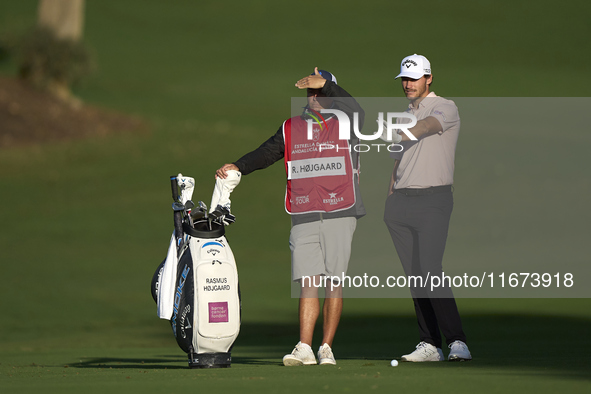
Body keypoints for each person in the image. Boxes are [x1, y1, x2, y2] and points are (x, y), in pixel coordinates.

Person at [216, 67, 365, 366]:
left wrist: (327, 84)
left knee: (334, 281)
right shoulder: (291, 127)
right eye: (310, 91)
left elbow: (358, 110)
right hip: (304, 212)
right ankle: (305, 347)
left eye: (320, 90)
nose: (313, 96)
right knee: (307, 280)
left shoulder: (348, 123)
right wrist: (239, 165)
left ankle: (326, 348)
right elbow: (268, 152)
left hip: (340, 210)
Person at [383, 54, 472, 362]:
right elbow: (398, 159)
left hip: (433, 199)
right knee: (415, 275)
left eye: (413, 78)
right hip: (401, 203)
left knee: (431, 269)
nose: (408, 84)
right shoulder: (404, 113)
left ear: (428, 78)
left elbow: (427, 127)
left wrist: (403, 130)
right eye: (404, 79)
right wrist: (390, 195)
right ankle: (430, 344)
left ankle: (457, 341)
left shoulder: (444, 106)